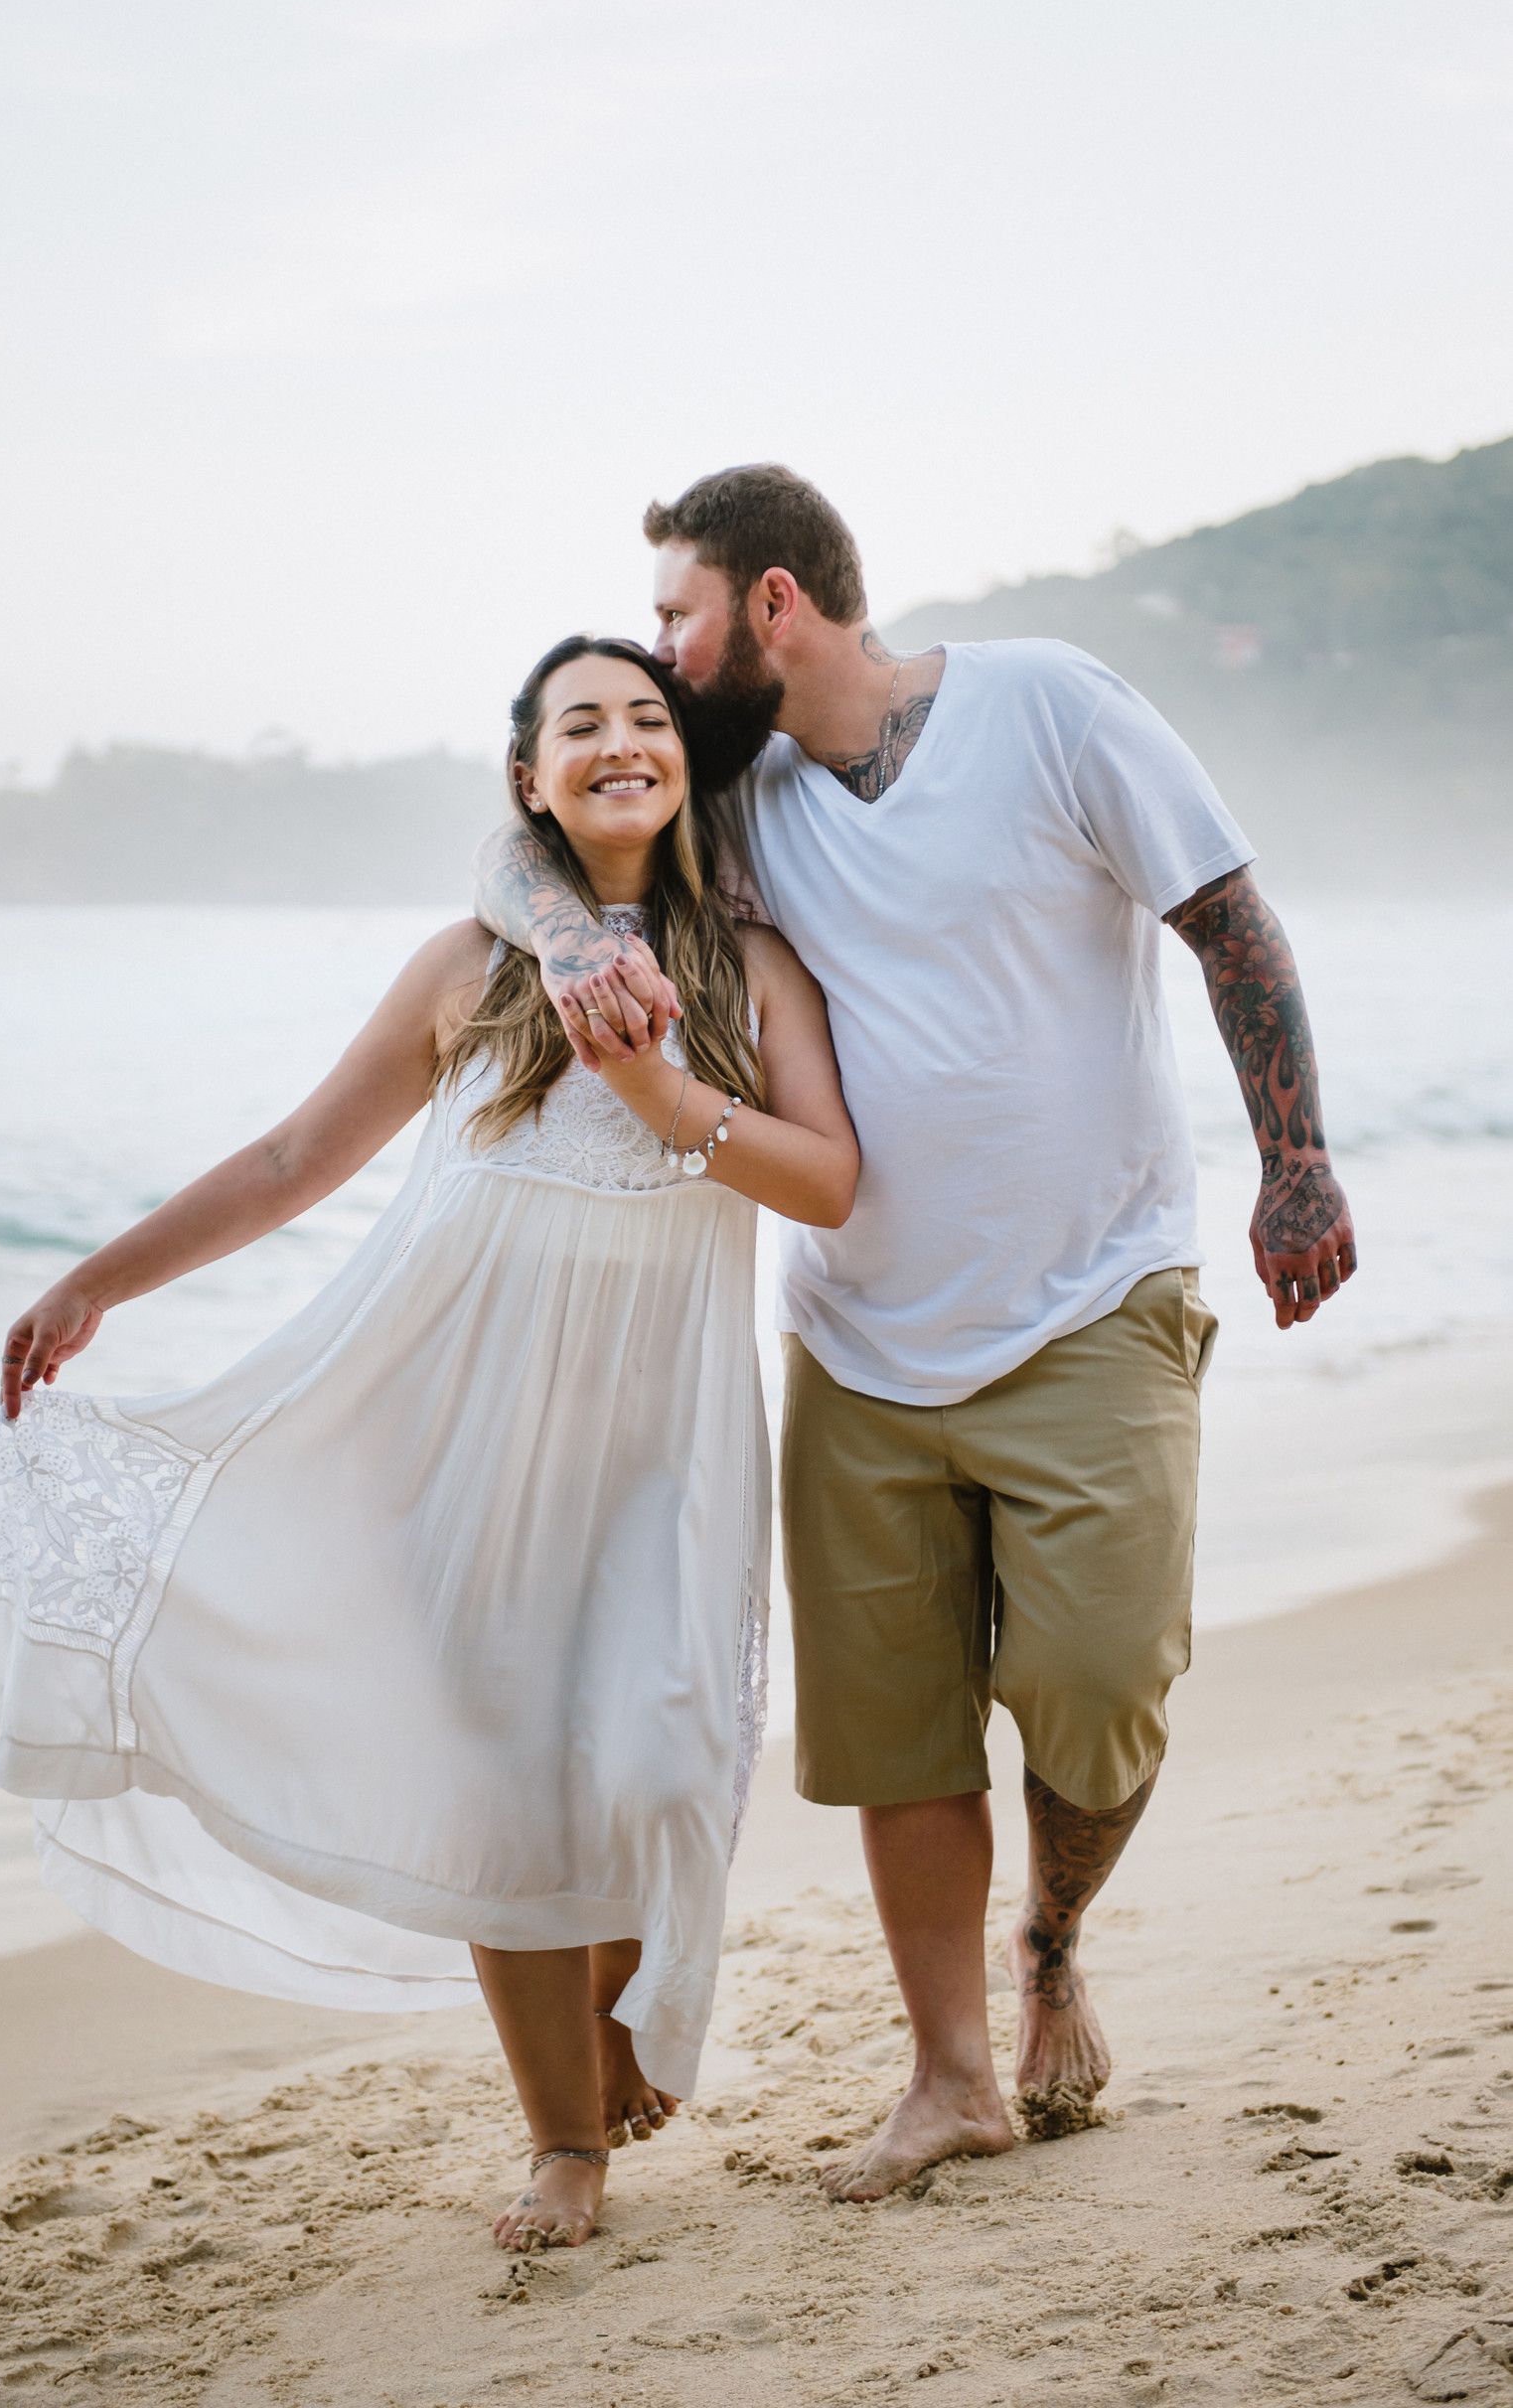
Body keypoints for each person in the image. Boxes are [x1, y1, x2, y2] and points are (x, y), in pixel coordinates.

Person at [475, 466, 1358, 2200]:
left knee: (1100, 1691)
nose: (663, 654)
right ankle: (953, 2076)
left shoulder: (1051, 706)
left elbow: (1228, 917)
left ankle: (1054, 1939)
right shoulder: (744, 795)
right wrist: (573, 936)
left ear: (775, 603)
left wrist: (1299, 1160)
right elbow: (523, 833)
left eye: (677, 616)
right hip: (860, 1342)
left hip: (1094, 1295)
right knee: (899, 1734)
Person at [0, 635, 858, 2253]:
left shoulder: (752, 970)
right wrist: (98, 1280)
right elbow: (294, 1158)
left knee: (662, 1754)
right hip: (449, 1431)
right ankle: (563, 2143)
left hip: (661, 1436)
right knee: (503, 1788)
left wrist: (663, 1096)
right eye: (580, 725)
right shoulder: (472, 968)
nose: (620, 742)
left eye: (646, 717)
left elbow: (831, 1183)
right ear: (532, 780)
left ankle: (615, 1985)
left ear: (686, 764)